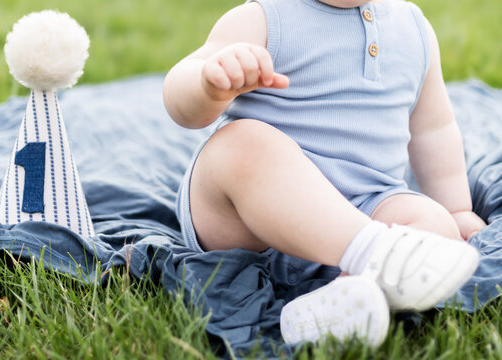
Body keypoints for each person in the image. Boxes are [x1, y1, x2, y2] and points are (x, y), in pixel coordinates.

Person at [163, 0, 487, 347]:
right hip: (253, 222)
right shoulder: (265, 17)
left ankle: (337, 303)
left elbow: (433, 130)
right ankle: (371, 254)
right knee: (241, 144)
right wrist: (208, 83)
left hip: (366, 206)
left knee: (435, 227)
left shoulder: (414, 28)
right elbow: (179, 99)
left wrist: (455, 210)